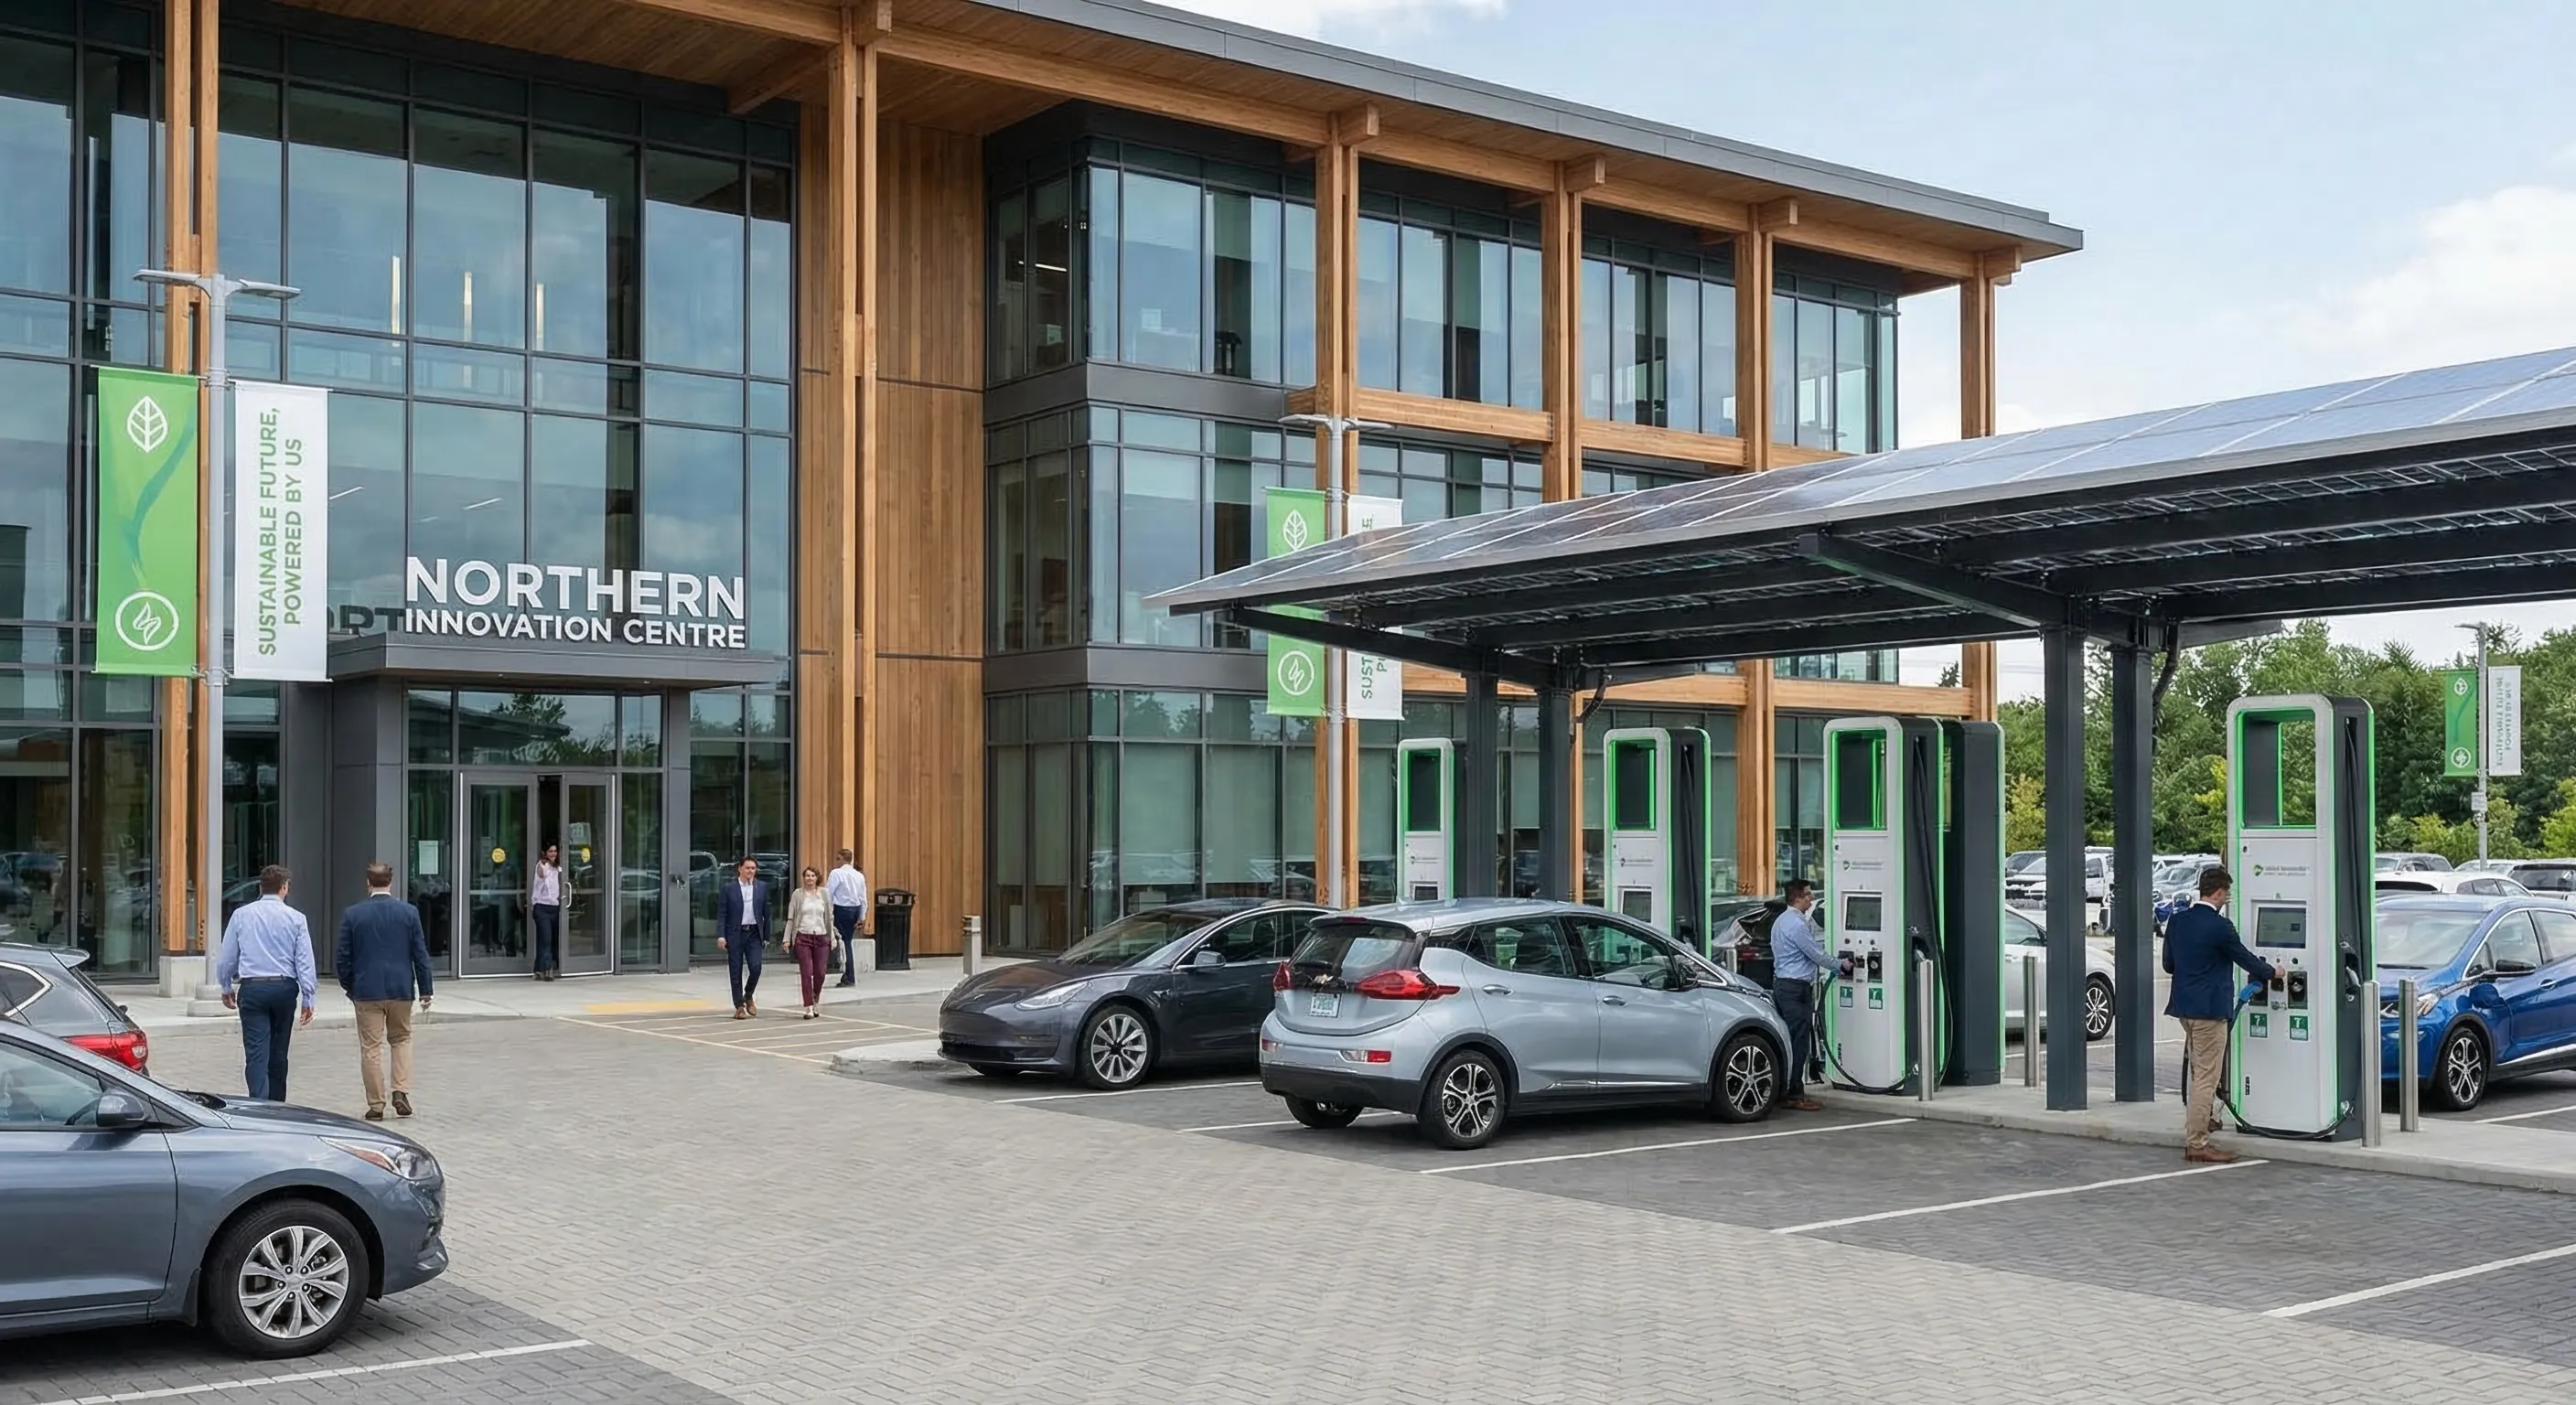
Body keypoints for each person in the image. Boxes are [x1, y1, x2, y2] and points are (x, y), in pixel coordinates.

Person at [2163, 864, 2280, 1164]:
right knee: (2206, 1076)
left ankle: (2207, 1119)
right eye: (2226, 893)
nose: (2227, 898)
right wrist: (2273, 972)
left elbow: (2168, 965)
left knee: (2199, 1070)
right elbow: (2246, 960)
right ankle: (2197, 1143)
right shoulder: (2220, 927)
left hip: (2184, 1008)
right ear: (2217, 893)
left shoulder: (2177, 920)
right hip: (2210, 1011)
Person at [335, 862, 435, 1121]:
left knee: (371, 1047)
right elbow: (420, 953)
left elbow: (343, 957)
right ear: (391, 883)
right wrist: (426, 989)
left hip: (367, 990)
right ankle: (400, 1091)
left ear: (368, 883)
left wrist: (351, 986)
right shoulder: (409, 913)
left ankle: (376, 1105)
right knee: (401, 1039)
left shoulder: (353, 914)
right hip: (401, 989)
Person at [215, 864, 317, 1101]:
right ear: (284, 888)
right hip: (283, 988)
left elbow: (227, 957)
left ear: (260, 888)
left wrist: (226, 985)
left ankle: (259, 1102)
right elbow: (304, 961)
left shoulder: (241, 915)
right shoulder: (296, 918)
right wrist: (308, 996)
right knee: (279, 1051)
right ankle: (277, 1104)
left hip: (253, 987)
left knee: (256, 1053)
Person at [1766, 878, 1850, 1112]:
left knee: (1790, 1040)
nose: (1812, 898)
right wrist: (1841, 964)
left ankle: (1784, 1091)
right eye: (1808, 894)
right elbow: (1815, 953)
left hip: (1784, 985)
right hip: (1795, 989)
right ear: (1797, 898)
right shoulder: (1796, 924)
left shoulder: (1781, 921)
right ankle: (1794, 1095)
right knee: (1798, 1042)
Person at [717, 856, 768, 1019]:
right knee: (735, 970)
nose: (750, 871)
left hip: (754, 933)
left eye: (753, 868)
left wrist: (766, 936)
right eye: (747, 868)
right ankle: (739, 1006)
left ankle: (748, 994)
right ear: (740, 869)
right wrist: (721, 935)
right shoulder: (729, 888)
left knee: (756, 967)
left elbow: (767, 913)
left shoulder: (761, 887)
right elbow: (722, 913)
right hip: (735, 933)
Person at [783, 866, 836, 1019]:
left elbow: (829, 918)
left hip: (821, 936)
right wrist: (787, 939)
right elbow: (791, 918)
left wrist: (832, 938)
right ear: (804, 878)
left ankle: (815, 997)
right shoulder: (798, 894)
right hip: (803, 937)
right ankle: (809, 1007)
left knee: (820, 973)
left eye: (813, 876)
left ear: (817, 878)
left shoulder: (824, 894)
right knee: (806, 973)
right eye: (807, 876)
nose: (810, 878)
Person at [826, 848, 868, 987]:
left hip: (841, 909)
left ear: (842, 859)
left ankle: (849, 975)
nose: (836, 862)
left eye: (838, 859)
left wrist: (826, 911)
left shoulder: (836, 873)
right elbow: (863, 897)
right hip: (855, 909)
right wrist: (862, 916)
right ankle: (848, 974)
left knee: (844, 942)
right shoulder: (859, 876)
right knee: (847, 941)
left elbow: (828, 893)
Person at [529, 842, 564, 981]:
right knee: (546, 939)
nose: (553, 854)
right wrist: (544, 864)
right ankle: (548, 969)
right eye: (550, 851)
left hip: (554, 907)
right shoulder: (541, 865)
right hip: (542, 907)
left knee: (545, 940)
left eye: (555, 851)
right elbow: (542, 874)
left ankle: (538, 970)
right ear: (545, 853)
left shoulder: (557, 867)